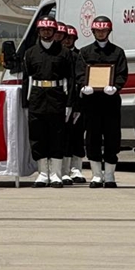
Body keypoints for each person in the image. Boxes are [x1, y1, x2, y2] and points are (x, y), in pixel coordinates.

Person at [22, 17, 75, 187]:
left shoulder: (64, 53)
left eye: (49, 30)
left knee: (57, 136)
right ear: (39, 32)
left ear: (54, 32)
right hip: (37, 99)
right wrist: (25, 103)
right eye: (43, 30)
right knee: (38, 136)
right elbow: (26, 80)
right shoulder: (30, 53)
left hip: (57, 99)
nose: (46, 33)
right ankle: (43, 173)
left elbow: (72, 80)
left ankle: (56, 174)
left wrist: (69, 104)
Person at [76, 16, 128, 188]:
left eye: (104, 30)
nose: (101, 33)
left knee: (112, 137)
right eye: (98, 30)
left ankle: (110, 175)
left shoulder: (117, 52)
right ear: (93, 32)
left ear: (109, 31)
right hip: (91, 103)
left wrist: (116, 86)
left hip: (111, 102)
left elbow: (122, 73)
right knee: (92, 137)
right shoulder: (85, 52)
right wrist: (84, 86)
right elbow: (80, 73)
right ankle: (97, 175)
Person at [60, 24, 87, 183]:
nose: (67, 41)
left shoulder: (80, 56)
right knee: (63, 137)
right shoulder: (59, 55)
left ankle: (76, 168)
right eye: (65, 38)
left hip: (78, 102)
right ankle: (63, 169)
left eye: (71, 38)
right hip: (60, 102)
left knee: (77, 135)